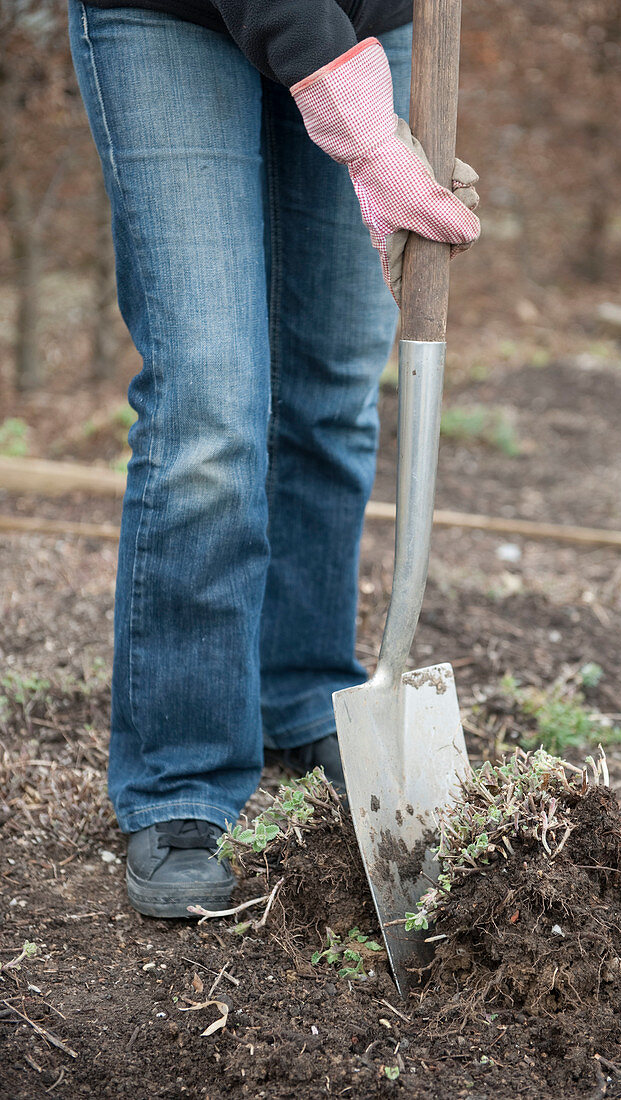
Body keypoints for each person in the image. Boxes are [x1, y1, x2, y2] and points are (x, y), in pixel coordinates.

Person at [67, 0, 480, 919]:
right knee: (210, 403)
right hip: (169, 19)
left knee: (333, 383)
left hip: (368, 22)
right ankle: (181, 776)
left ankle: (302, 689)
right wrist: (367, 134)